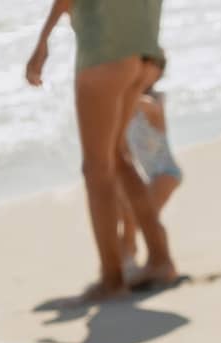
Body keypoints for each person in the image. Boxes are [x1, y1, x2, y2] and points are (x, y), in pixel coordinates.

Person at [26, 0, 179, 301]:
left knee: (96, 168)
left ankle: (112, 280)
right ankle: (160, 261)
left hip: (105, 53)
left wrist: (42, 42)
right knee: (117, 160)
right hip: (143, 52)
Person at [118, 61, 183, 273]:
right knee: (129, 216)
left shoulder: (154, 101)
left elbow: (143, 104)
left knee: (144, 219)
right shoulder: (128, 112)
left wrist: (121, 92)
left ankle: (159, 262)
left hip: (166, 173)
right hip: (151, 176)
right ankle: (127, 260)